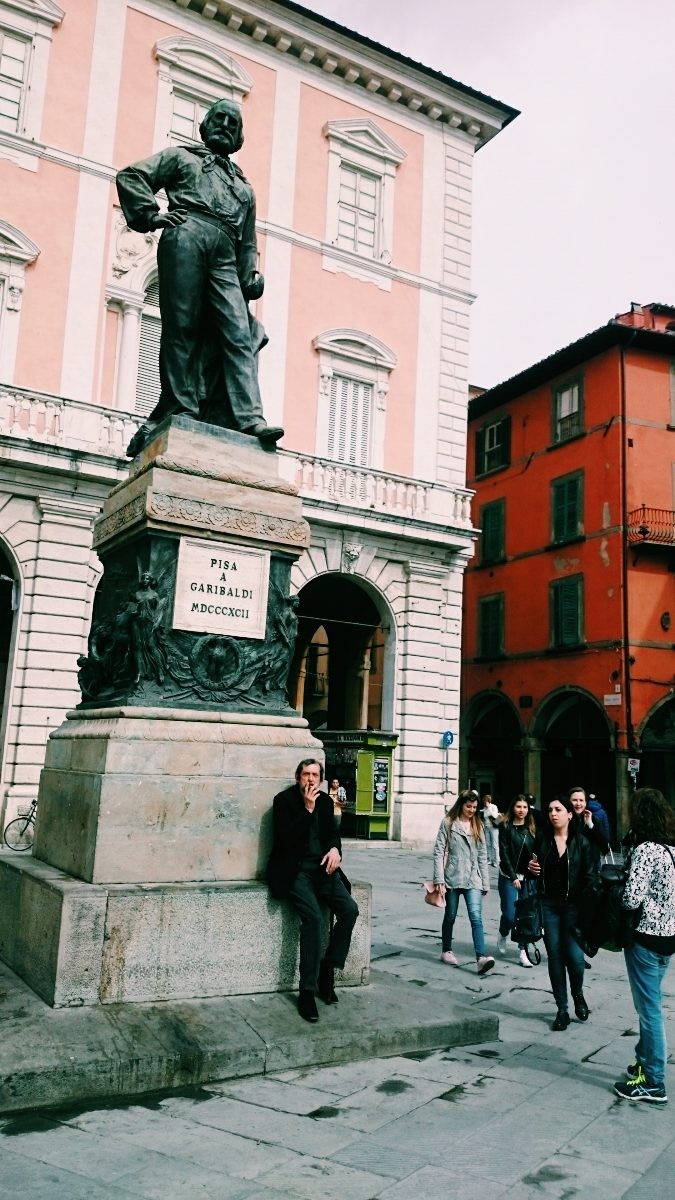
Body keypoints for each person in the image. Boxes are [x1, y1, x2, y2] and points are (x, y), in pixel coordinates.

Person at [116, 98, 284, 458]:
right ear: (205, 127)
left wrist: (250, 274)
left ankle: (250, 418)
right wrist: (151, 216)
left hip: (225, 249)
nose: (225, 125)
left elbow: (248, 242)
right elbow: (132, 175)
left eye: (233, 123)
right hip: (186, 233)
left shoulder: (245, 189)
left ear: (239, 138)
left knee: (239, 334)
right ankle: (182, 406)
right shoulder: (180, 157)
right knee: (183, 327)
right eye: (218, 119)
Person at [267, 759, 359, 1023]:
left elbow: (332, 834)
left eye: (314, 775)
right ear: (298, 777)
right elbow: (284, 840)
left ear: (320, 779)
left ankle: (327, 968)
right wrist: (306, 811)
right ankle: (306, 991)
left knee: (350, 910)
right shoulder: (283, 801)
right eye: (305, 774)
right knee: (314, 920)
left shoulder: (326, 802)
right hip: (295, 872)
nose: (310, 779)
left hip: (323, 871)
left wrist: (335, 850)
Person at [614, 787, 675, 1104]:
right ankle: (643, 1061)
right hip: (669, 938)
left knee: (650, 1011)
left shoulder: (646, 850)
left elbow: (630, 898)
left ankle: (655, 1082)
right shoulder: (672, 850)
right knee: (648, 1005)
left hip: (645, 937)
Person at [528, 794, 596, 1030]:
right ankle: (562, 1009)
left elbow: (591, 878)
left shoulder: (582, 843)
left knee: (576, 959)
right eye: (550, 810)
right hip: (549, 906)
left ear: (569, 814)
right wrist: (531, 868)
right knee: (555, 957)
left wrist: (587, 910)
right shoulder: (542, 841)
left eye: (558, 809)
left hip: (574, 908)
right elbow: (529, 868)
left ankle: (577, 993)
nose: (553, 813)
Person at [431, 789, 495, 975]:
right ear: (461, 805)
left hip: (473, 878)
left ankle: (481, 958)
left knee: (476, 917)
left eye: (475, 807)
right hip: (452, 876)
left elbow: (483, 856)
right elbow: (438, 851)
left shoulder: (478, 825)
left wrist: (485, 883)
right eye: (469, 806)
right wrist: (439, 879)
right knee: (450, 916)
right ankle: (446, 950)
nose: (472, 810)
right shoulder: (449, 823)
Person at [497, 794, 538, 968]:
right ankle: (503, 931)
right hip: (508, 876)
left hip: (527, 877)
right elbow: (504, 854)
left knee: (524, 916)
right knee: (509, 915)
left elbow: (537, 853)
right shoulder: (505, 827)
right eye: (518, 806)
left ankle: (523, 951)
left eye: (525, 807)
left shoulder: (532, 828)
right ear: (513, 808)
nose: (522, 810)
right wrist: (513, 876)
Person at [568, 786, 610, 860]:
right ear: (569, 801)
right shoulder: (563, 819)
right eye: (574, 800)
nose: (578, 803)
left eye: (581, 800)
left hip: (591, 866)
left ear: (585, 803)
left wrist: (590, 825)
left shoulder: (594, 820)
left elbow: (604, 847)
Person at [481, 794, 501, 866]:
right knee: (488, 844)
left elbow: (495, 816)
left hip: (494, 827)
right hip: (487, 827)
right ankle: (489, 859)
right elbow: (484, 817)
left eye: (486, 801)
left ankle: (496, 861)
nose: (485, 802)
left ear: (489, 801)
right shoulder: (485, 808)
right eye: (484, 801)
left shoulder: (493, 806)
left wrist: (489, 807)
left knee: (495, 845)